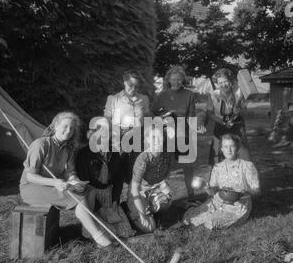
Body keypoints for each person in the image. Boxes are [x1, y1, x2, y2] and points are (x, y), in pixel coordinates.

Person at [19, 112, 112, 248]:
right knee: (78, 198)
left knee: (89, 190)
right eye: (65, 126)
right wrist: (55, 182)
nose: (68, 131)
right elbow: (30, 176)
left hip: (54, 185)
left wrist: (74, 180)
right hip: (33, 187)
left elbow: (70, 172)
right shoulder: (41, 145)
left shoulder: (68, 149)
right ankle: (100, 238)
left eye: (72, 128)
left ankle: (87, 231)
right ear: (55, 126)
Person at [183, 134, 260, 230]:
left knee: (211, 223)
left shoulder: (247, 166)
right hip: (217, 202)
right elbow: (212, 192)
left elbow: (257, 191)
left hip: (238, 207)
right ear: (222, 149)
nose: (229, 150)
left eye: (232, 146)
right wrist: (206, 187)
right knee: (189, 217)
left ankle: (213, 220)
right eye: (225, 147)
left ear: (238, 147)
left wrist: (244, 192)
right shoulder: (217, 167)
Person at [152, 66, 206, 203]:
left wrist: (196, 129)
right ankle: (160, 197)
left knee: (187, 166)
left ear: (183, 80)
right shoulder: (161, 96)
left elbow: (191, 116)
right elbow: (154, 114)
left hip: (183, 134)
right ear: (168, 80)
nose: (176, 82)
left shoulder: (189, 95)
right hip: (165, 135)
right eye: (173, 79)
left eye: (179, 79)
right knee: (163, 167)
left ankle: (191, 196)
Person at [75, 117, 135, 238]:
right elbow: (85, 185)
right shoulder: (83, 155)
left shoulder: (114, 152)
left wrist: (114, 200)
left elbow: (119, 179)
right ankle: (90, 225)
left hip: (109, 195)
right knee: (109, 235)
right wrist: (101, 208)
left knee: (125, 233)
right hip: (91, 197)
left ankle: (122, 208)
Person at [104, 70, 150, 184]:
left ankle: (132, 200)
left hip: (137, 137)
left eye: (136, 86)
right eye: (130, 85)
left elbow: (147, 118)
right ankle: (115, 201)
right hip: (119, 137)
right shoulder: (113, 99)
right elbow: (107, 119)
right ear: (124, 82)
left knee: (135, 171)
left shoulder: (144, 99)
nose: (133, 89)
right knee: (116, 171)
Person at [127, 126, 173, 233]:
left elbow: (165, 178)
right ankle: (132, 211)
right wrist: (141, 213)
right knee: (150, 228)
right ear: (147, 139)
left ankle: (150, 210)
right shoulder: (143, 159)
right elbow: (134, 189)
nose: (156, 140)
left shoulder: (167, 155)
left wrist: (165, 190)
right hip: (139, 192)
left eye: (159, 137)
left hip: (154, 189)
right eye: (153, 137)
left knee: (167, 201)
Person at [205, 68, 251, 166]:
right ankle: (215, 179)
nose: (223, 85)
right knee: (216, 157)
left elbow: (245, 113)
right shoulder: (213, 95)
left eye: (225, 81)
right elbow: (209, 113)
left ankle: (243, 179)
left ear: (230, 81)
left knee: (243, 156)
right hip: (220, 125)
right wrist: (222, 122)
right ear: (217, 83)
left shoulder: (239, 92)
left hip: (238, 126)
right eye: (220, 82)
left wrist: (240, 110)